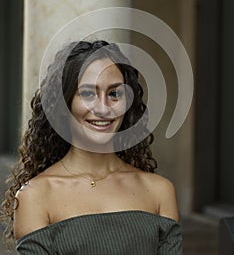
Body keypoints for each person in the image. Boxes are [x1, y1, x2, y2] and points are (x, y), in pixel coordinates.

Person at [1, 40, 183, 254]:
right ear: (64, 103)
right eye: (88, 93)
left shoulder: (159, 192)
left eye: (114, 94)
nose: (103, 108)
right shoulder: (36, 196)